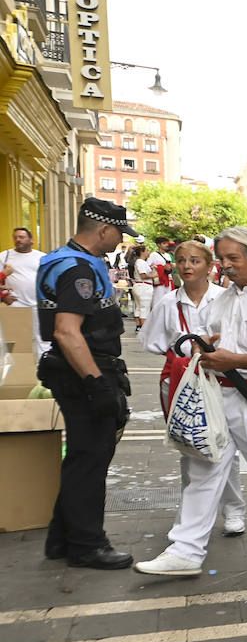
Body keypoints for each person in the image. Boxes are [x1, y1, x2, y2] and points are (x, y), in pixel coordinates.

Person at [134, 227, 247, 577]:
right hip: (215, 394)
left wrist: (234, 360)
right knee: (202, 468)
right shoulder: (224, 299)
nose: (225, 266)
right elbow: (213, 343)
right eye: (222, 258)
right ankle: (186, 550)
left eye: (233, 258)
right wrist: (206, 348)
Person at [35, 197, 135, 569]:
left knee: (82, 457)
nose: (119, 241)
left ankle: (61, 538)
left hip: (76, 370)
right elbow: (67, 332)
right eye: (118, 233)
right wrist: (97, 383)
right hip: (83, 372)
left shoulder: (63, 258)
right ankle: (87, 545)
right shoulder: (77, 268)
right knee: (90, 460)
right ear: (104, 229)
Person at [140, 239, 247, 538]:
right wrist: (186, 352)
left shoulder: (227, 298)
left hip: (219, 379)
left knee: (223, 445)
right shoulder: (168, 303)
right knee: (189, 444)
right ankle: (191, 512)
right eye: (182, 260)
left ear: (210, 267)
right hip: (182, 379)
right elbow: (153, 342)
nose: (187, 266)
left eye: (195, 260)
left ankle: (234, 509)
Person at [1, 227, 45, 307]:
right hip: (15, 304)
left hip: (38, 305)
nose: (17, 240)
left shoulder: (42, 257)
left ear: (31, 240)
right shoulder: (4, 256)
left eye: (21, 237)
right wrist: (2, 297)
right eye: (15, 238)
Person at [148, 236, 177, 313]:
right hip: (159, 280)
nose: (166, 245)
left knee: (168, 300)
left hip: (168, 279)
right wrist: (158, 268)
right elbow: (148, 266)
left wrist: (171, 266)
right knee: (157, 300)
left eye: (167, 243)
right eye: (164, 243)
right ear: (158, 245)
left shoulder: (168, 255)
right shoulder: (153, 255)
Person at [129, 244, 154, 330]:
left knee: (139, 307)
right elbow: (143, 275)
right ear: (142, 252)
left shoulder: (141, 262)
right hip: (144, 286)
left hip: (139, 286)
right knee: (145, 308)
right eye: (147, 250)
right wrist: (153, 275)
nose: (148, 252)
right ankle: (144, 328)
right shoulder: (141, 262)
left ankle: (138, 326)